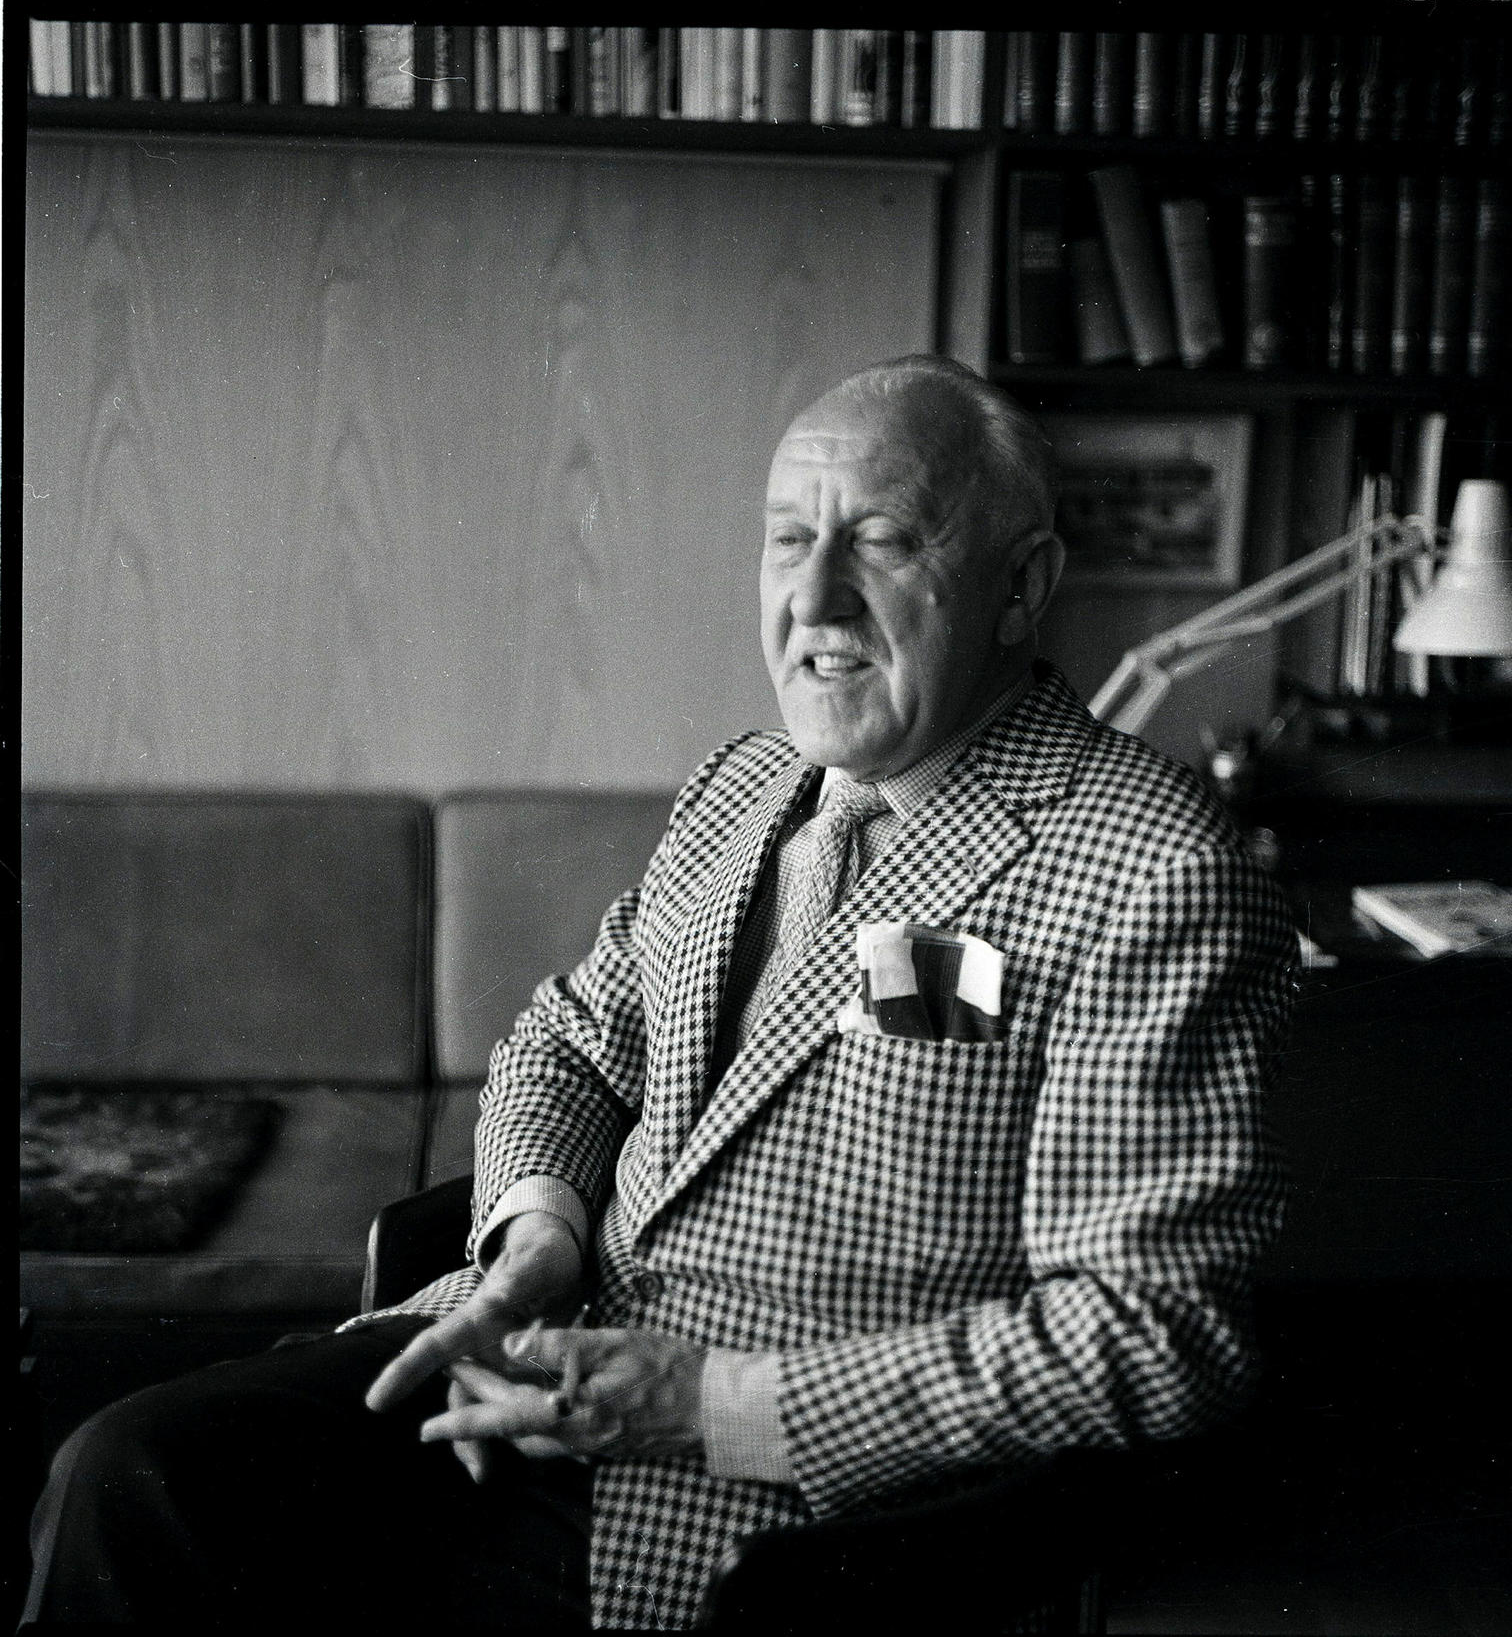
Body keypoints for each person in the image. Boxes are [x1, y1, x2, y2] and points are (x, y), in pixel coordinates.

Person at [24, 355, 1295, 1631]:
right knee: (125, 1475)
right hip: (512, 1362)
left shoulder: (1156, 867)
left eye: (884, 543)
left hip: (773, 1518)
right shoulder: (742, 783)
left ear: (1020, 587)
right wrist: (535, 1242)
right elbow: (570, 1043)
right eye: (787, 540)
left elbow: (1153, 1333)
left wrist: (704, 1402)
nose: (814, 599)